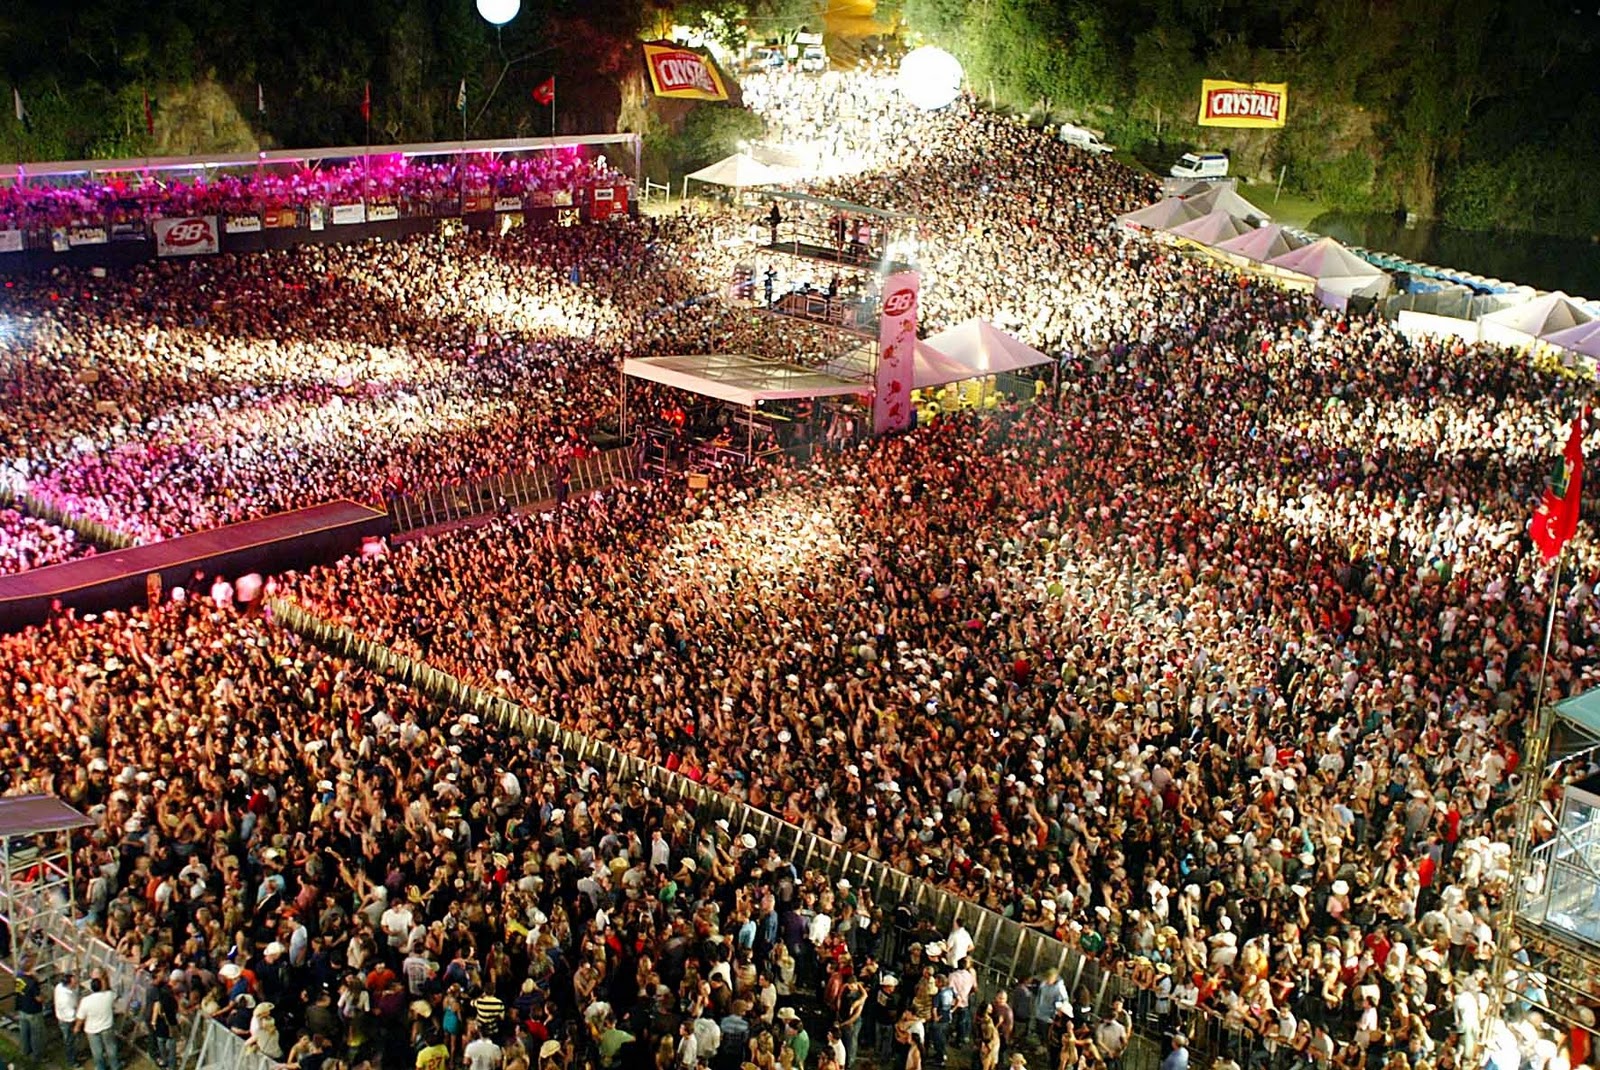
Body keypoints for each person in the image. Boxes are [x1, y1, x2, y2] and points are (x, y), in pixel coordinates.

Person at [77, 976, 120, 1070]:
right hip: (106, 1027)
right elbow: (116, 995)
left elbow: (80, 1017)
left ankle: (101, 1068)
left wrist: (77, 1027)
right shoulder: (109, 995)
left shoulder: (85, 1001)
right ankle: (115, 1066)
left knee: (97, 1052)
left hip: (91, 1030)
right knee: (111, 1049)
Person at [17, 963, 47, 1065]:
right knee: (37, 1034)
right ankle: (37, 1056)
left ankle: (25, 1050)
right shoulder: (32, 982)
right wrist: (44, 997)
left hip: (22, 1008)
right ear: (31, 969)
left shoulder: (19, 977)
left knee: (24, 1031)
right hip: (33, 1011)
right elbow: (38, 998)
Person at [54, 971, 80, 1067]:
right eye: (74, 982)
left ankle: (74, 1056)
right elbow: (72, 1016)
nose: (76, 983)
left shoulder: (60, 986)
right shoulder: (65, 999)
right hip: (67, 1021)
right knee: (69, 1041)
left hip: (65, 1015)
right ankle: (71, 1061)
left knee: (72, 1040)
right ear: (69, 984)